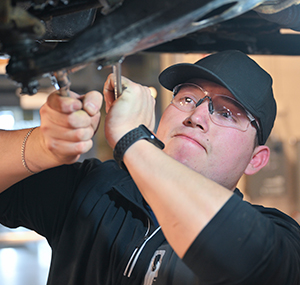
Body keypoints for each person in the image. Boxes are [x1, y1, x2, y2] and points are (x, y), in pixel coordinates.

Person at [0, 50, 300, 285]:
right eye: (187, 98)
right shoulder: (98, 188)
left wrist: (132, 141)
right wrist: (43, 145)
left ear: (255, 159)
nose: (196, 116)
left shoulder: (280, 234)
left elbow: (253, 259)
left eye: (226, 112)